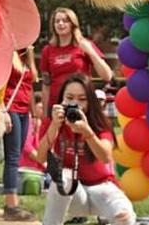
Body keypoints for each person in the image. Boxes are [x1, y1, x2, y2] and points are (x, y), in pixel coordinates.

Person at [35, 73, 134, 225]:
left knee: (125, 216)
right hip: (72, 192)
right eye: (69, 98)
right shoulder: (54, 122)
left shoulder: (98, 123)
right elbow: (40, 158)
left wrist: (87, 132)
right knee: (63, 176)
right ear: (62, 100)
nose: (75, 104)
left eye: (82, 99)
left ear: (90, 102)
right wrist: (54, 125)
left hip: (102, 188)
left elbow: (105, 156)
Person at [40, 8, 112, 116]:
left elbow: (107, 76)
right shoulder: (48, 50)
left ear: (73, 24)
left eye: (65, 20)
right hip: (57, 106)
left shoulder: (84, 45)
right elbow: (46, 85)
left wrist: (91, 52)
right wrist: (45, 114)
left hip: (82, 104)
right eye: (57, 21)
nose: (60, 24)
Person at [1, 48, 38, 221]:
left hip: (24, 111)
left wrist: (35, 115)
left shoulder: (26, 56)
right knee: (13, 157)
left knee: (17, 154)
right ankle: (11, 205)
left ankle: (13, 202)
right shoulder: (8, 52)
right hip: (11, 108)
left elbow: (30, 86)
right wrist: (2, 111)